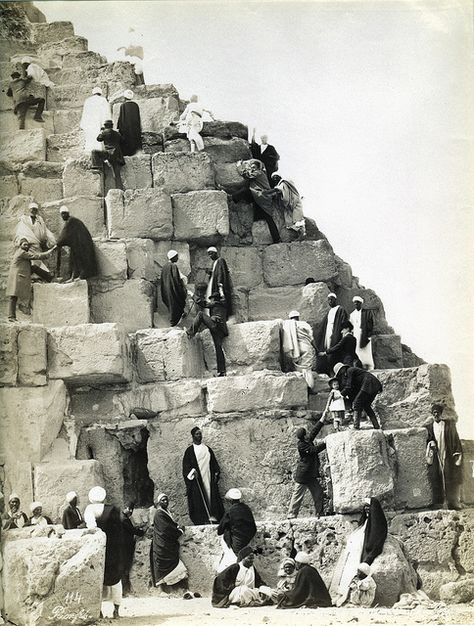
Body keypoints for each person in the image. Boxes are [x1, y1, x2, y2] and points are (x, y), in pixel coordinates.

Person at [330, 497, 388, 606]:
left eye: (368, 509)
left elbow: (376, 533)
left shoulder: (371, 525)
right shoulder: (360, 528)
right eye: (364, 509)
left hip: (358, 556)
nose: (366, 511)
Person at [84, 486, 124, 619]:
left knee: (97, 580)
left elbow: (92, 528)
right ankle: (116, 611)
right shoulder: (114, 509)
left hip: (100, 549)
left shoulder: (90, 509)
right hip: (115, 550)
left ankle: (99, 611)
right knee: (116, 580)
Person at [182, 427, 224, 525]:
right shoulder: (189, 451)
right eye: (197, 434)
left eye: (200, 434)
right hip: (197, 480)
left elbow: (214, 463)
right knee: (198, 498)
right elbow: (186, 468)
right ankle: (202, 519)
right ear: (193, 436)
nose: (199, 436)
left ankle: (213, 517)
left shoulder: (207, 449)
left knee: (211, 496)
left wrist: (216, 472)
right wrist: (192, 472)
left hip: (208, 478)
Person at [6, 238, 55, 321]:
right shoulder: (22, 252)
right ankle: (11, 317)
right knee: (13, 297)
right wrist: (48, 253)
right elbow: (36, 256)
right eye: (24, 244)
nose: (26, 246)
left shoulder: (20, 252)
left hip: (19, 274)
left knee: (34, 268)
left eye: (27, 245)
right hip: (17, 276)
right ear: (20, 245)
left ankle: (49, 277)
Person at [287, 415, 327, 519]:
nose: (309, 433)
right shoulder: (302, 445)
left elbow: (314, 431)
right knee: (297, 495)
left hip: (311, 475)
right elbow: (314, 450)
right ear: (304, 436)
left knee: (318, 493)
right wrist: (325, 443)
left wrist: (322, 419)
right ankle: (291, 515)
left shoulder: (306, 440)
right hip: (303, 475)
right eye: (306, 433)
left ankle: (320, 513)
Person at [425, 404, 463, 510]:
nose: (436, 414)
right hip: (436, 455)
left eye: (438, 412)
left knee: (449, 476)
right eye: (434, 413)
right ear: (432, 414)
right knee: (436, 476)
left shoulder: (448, 425)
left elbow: (455, 438)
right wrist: (431, 442)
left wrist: (456, 452)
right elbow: (428, 439)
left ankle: (452, 502)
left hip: (447, 453)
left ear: (441, 414)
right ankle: (438, 502)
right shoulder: (429, 427)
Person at [151, 493, 190, 594]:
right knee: (169, 566)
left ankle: (182, 590)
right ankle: (166, 591)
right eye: (163, 500)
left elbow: (170, 525)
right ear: (159, 502)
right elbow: (166, 529)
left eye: (166, 500)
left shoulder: (165, 512)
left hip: (167, 545)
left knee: (177, 567)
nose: (165, 502)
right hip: (162, 545)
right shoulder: (159, 513)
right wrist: (179, 531)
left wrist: (176, 527)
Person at [235, 159, 281, 243]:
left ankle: (231, 198)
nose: (252, 168)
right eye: (251, 167)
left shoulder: (258, 173)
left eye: (254, 167)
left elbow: (247, 175)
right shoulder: (260, 173)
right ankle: (277, 239)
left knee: (245, 190)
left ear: (257, 168)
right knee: (268, 219)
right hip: (261, 197)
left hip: (261, 196)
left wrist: (239, 166)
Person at [187, 285, 228, 377]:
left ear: (214, 299)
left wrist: (191, 294)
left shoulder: (215, 303)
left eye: (211, 299)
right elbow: (224, 297)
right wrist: (221, 289)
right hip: (221, 330)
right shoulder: (224, 304)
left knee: (201, 314)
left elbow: (202, 303)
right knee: (218, 349)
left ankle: (190, 332)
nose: (210, 301)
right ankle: (222, 371)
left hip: (215, 325)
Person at [216, 489, 257, 572]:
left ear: (230, 501)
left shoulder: (230, 511)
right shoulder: (247, 508)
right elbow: (253, 527)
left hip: (235, 543)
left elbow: (220, 531)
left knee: (237, 563)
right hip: (246, 541)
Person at [15, 202, 56, 282]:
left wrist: (52, 241)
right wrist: (26, 241)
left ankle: (41, 277)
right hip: (28, 246)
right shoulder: (24, 219)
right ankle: (36, 277)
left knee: (38, 261)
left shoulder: (40, 220)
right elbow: (22, 231)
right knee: (32, 262)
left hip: (38, 247)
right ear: (29, 210)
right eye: (32, 209)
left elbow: (45, 232)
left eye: (35, 209)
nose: (33, 211)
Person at [333, 362, 382, 429]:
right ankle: (376, 426)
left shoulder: (350, 371)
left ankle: (356, 426)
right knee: (366, 405)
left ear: (343, 368)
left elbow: (348, 387)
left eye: (339, 373)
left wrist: (340, 394)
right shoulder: (349, 374)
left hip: (369, 383)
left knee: (357, 403)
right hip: (374, 385)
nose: (340, 374)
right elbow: (352, 390)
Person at [56, 206, 97, 281]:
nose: (63, 216)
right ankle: (73, 277)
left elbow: (64, 235)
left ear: (68, 213)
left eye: (64, 213)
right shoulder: (71, 220)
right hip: (78, 244)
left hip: (83, 245)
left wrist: (58, 243)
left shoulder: (70, 221)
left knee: (80, 260)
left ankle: (80, 276)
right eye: (62, 214)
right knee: (73, 259)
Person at [282, 310, 316, 390]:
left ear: (290, 318)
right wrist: (317, 349)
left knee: (298, 369)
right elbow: (311, 339)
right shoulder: (304, 324)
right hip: (305, 347)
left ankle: (300, 388)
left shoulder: (287, 325)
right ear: (298, 317)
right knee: (306, 369)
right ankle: (309, 387)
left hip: (294, 349)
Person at [316, 293, 348, 374]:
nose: (330, 301)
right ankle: (327, 370)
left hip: (336, 332)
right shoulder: (329, 311)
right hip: (328, 332)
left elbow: (344, 322)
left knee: (334, 349)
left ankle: (334, 370)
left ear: (335, 300)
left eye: (331, 299)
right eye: (328, 300)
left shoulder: (340, 309)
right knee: (327, 348)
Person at [120, 503, 145, 596]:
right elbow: (132, 530)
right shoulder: (124, 520)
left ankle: (124, 590)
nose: (130, 511)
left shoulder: (125, 518)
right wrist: (142, 532)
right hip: (125, 547)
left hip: (125, 546)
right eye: (129, 509)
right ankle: (124, 591)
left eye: (131, 509)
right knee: (125, 568)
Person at [271, 173, 306, 238]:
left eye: (276, 177)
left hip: (294, 203)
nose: (275, 179)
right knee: (292, 221)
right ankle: (299, 236)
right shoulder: (286, 183)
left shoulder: (284, 183)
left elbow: (284, 195)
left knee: (298, 220)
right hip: (292, 203)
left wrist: (271, 192)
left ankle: (302, 235)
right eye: (273, 178)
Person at [92, 119, 125, 190]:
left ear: (105, 126)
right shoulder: (116, 133)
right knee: (117, 174)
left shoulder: (105, 132)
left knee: (94, 152)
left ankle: (97, 167)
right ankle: (119, 189)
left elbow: (99, 139)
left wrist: (101, 132)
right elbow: (122, 140)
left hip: (109, 154)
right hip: (117, 155)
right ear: (112, 126)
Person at [160, 250, 187, 327]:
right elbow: (177, 280)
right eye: (177, 256)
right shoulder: (173, 266)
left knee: (172, 307)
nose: (178, 258)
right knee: (176, 307)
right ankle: (174, 324)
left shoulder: (164, 267)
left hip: (166, 291)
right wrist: (181, 290)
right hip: (173, 291)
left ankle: (174, 322)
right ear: (173, 257)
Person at [80, 87, 112, 153]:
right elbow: (106, 113)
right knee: (99, 142)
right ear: (100, 93)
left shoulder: (88, 100)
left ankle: (89, 153)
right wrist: (105, 125)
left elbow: (85, 114)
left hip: (90, 124)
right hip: (98, 124)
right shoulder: (103, 100)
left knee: (90, 140)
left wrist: (84, 125)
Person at [205, 247, 233, 318]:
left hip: (218, 285)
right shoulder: (214, 262)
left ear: (215, 253)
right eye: (209, 254)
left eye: (211, 254)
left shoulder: (220, 260)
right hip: (213, 284)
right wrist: (210, 272)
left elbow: (221, 273)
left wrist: (220, 284)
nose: (210, 256)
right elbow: (215, 273)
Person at [350, 296, 375, 370]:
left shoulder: (367, 312)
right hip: (356, 334)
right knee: (357, 350)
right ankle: (360, 366)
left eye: (358, 302)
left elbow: (371, 323)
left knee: (366, 350)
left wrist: (369, 334)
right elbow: (351, 325)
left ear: (361, 303)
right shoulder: (352, 314)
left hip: (365, 334)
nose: (356, 304)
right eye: (355, 303)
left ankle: (369, 366)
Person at [116, 89, 142, 156]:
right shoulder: (135, 105)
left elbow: (121, 118)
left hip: (126, 129)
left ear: (124, 97)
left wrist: (119, 127)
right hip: (135, 128)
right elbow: (138, 118)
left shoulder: (123, 106)